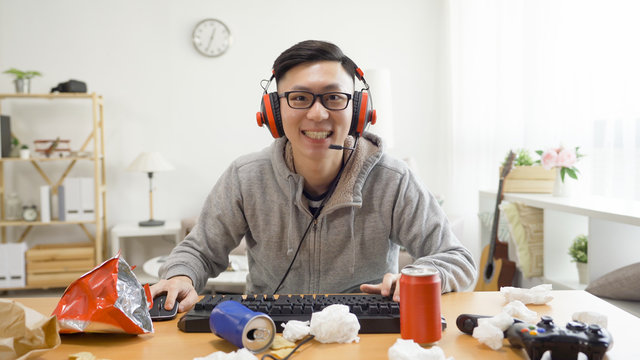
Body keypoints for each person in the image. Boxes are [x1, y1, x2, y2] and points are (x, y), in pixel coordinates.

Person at [151, 40, 476, 313]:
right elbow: (199, 250)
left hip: (364, 333)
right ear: (274, 111)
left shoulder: (394, 179)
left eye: (334, 97)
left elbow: (456, 259)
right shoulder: (245, 177)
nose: (318, 113)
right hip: (269, 332)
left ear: (359, 110)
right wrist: (181, 276)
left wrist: (418, 275)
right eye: (300, 98)